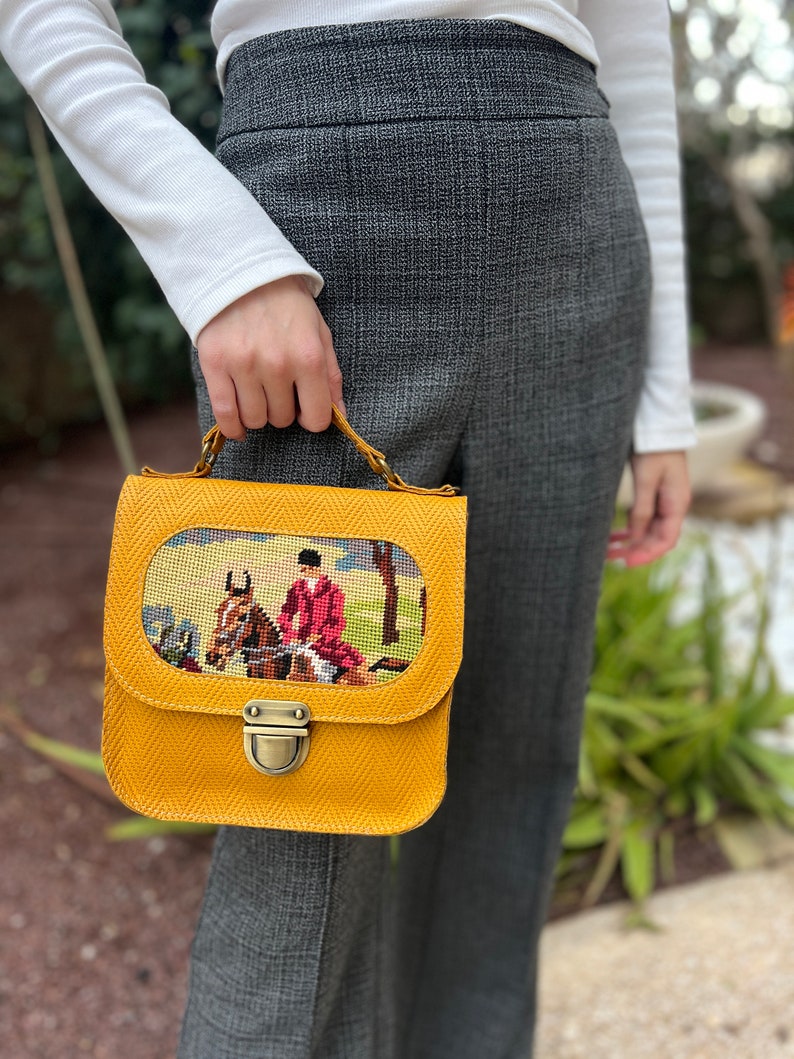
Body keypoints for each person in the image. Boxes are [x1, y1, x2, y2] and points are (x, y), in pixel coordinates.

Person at [0, 2, 695, 1056]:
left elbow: (634, 47)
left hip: (575, 231)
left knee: (515, 755)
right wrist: (218, 257)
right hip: (314, 230)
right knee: (296, 796)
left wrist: (665, 396)